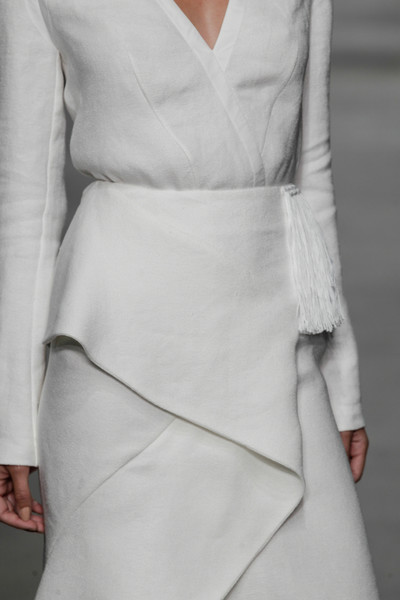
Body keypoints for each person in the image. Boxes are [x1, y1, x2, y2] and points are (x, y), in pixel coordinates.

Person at [0, 0, 380, 598]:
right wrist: (13, 423)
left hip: (277, 346)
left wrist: (341, 381)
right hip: (115, 357)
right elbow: (28, 203)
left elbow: (310, 174)